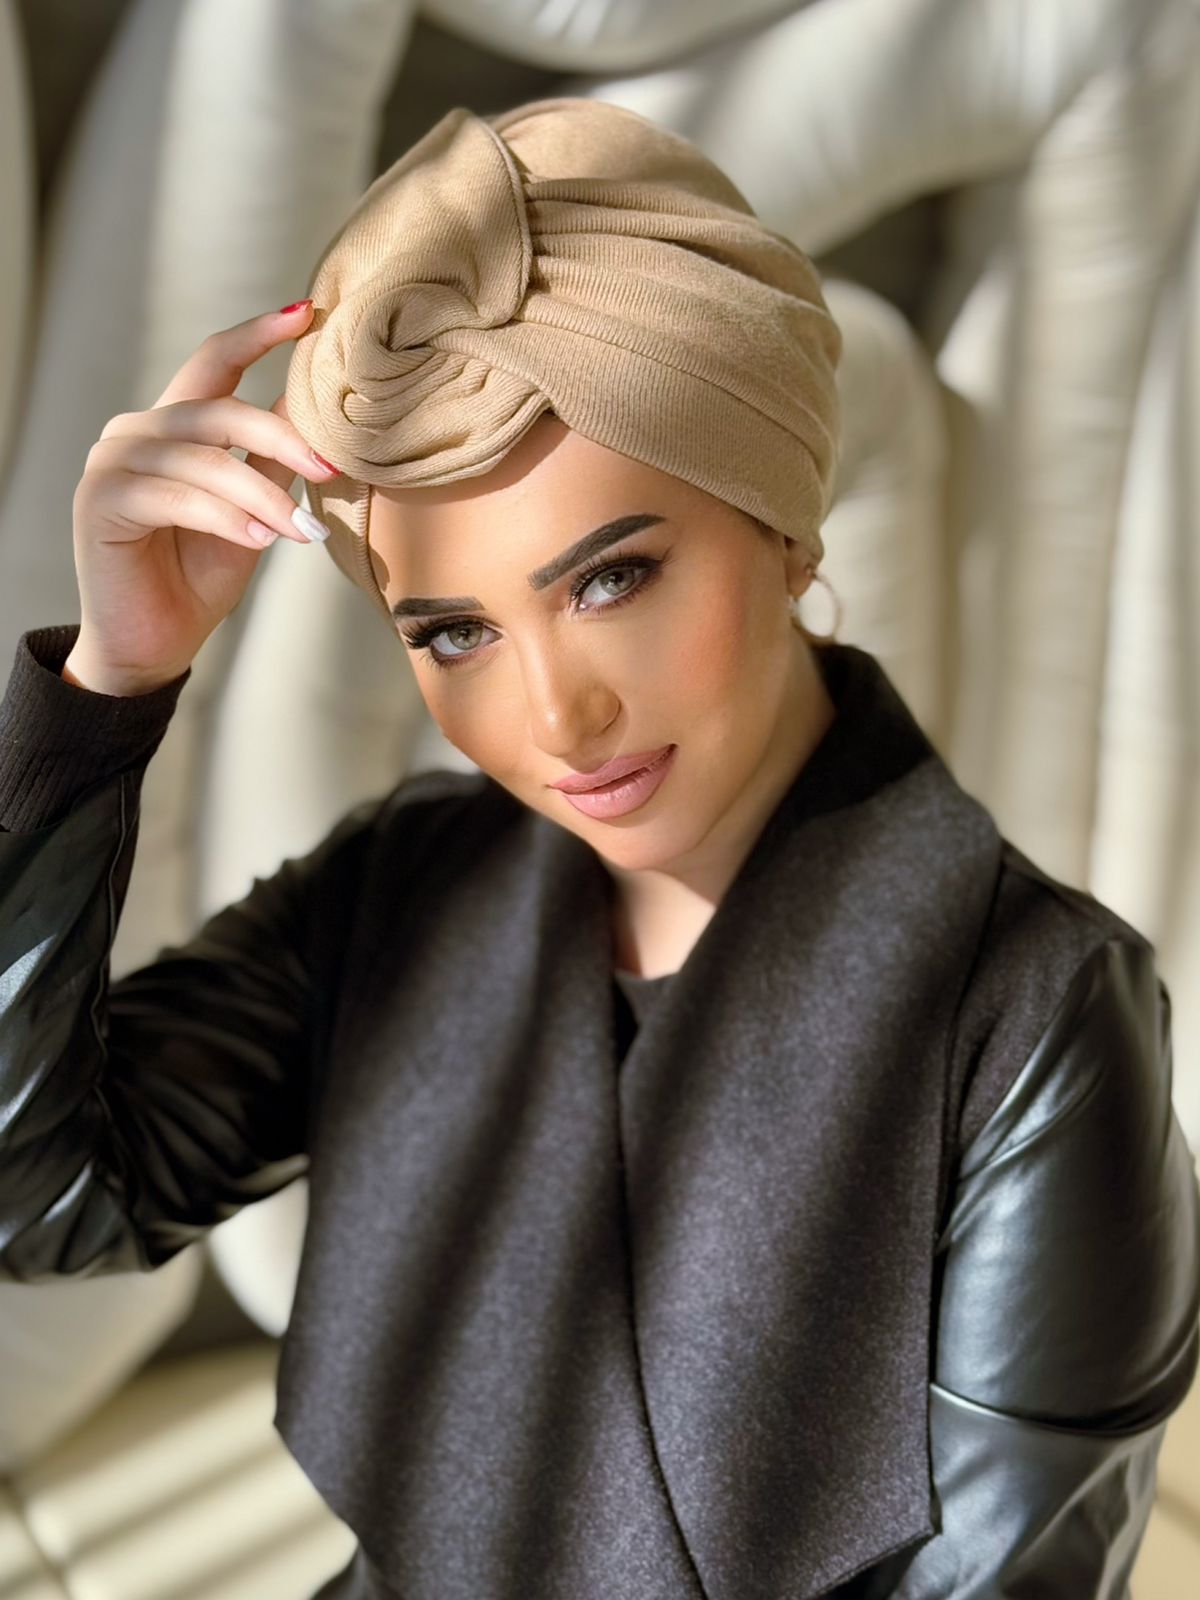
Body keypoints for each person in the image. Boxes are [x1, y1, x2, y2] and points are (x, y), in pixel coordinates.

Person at [1, 97, 1197, 1600]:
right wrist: (107, 692)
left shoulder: (1036, 1021)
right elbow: (42, 1198)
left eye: (612, 579)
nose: (558, 719)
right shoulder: (410, 890)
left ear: (783, 528)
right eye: (455, 632)